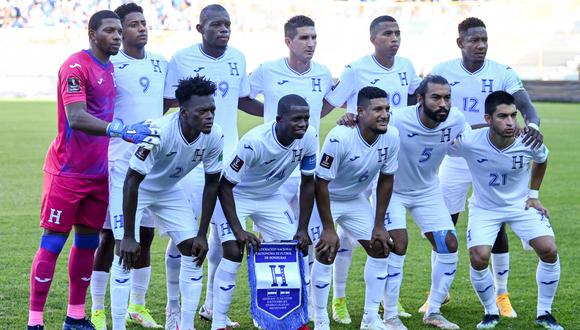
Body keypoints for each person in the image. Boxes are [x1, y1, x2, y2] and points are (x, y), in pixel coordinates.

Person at [27, 10, 159, 330]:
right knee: (53, 243)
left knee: (88, 244)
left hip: (98, 173)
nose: (117, 36)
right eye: (110, 31)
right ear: (92, 34)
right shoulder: (75, 66)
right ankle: (35, 321)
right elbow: (77, 118)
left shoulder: (111, 69)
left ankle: (75, 317)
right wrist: (120, 130)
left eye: (118, 31)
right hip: (67, 172)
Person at [430, 17, 543, 317]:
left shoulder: (502, 71)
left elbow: (527, 106)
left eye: (484, 40)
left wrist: (531, 124)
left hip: (493, 157)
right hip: (454, 158)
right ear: (460, 43)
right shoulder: (443, 71)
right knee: (443, 224)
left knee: (497, 223)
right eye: (474, 40)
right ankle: (437, 292)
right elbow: (426, 105)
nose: (480, 45)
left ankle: (501, 293)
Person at [162, 5, 262, 328]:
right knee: (185, 237)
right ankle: (173, 308)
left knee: (225, 239)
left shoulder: (238, 58)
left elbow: (242, 100)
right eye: (216, 24)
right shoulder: (181, 59)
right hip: (191, 163)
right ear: (199, 27)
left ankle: (211, 307)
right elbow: (169, 105)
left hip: (230, 161)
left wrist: (279, 113)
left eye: (228, 24)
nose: (224, 29)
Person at [323, 15, 421, 323]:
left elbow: (412, 105)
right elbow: (330, 104)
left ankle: (386, 306)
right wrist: (345, 118)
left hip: (384, 159)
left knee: (391, 240)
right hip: (349, 165)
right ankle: (338, 300)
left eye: (398, 33)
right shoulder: (355, 69)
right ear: (373, 39)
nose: (394, 39)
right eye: (388, 33)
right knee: (340, 241)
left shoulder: (406, 66)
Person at [448, 91, 562, 330]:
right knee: (479, 257)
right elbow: (440, 141)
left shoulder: (528, 140)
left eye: (513, 115)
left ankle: (545, 313)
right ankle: (491, 312)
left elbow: (542, 159)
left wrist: (534, 196)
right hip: (485, 208)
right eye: (502, 117)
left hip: (520, 206)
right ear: (488, 119)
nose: (510, 122)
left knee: (549, 249)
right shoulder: (470, 140)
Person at [119, 75, 223, 330]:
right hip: (137, 187)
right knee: (123, 252)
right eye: (202, 111)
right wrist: (129, 235)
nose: (209, 116)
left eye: (212, 110)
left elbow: (212, 184)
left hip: (167, 190)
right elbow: (131, 181)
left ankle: (182, 324)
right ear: (184, 112)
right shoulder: (159, 131)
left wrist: (201, 233)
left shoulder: (214, 135)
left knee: (193, 250)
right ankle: (116, 322)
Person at [248, 14, 333, 324]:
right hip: (273, 172)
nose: (310, 43)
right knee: (271, 243)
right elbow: (244, 98)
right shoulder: (268, 70)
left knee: (307, 239)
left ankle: (306, 310)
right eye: (304, 38)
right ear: (288, 41)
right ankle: (266, 313)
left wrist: (306, 122)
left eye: (313, 37)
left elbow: (326, 105)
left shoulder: (323, 73)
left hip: (307, 169)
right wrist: (273, 116)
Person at [89, 3, 167, 330]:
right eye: (132, 25)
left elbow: (173, 100)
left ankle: (138, 305)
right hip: (118, 162)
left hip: (152, 163)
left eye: (143, 23)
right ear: (119, 32)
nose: (141, 29)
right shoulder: (110, 65)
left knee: (145, 235)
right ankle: (96, 308)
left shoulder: (163, 63)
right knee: (111, 237)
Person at [210, 94, 317, 330]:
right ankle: (218, 323)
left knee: (295, 248)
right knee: (233, 251)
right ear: (279, 119)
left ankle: (291, 320)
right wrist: (239, 231)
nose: (303, 124)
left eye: (306, 118)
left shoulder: (309, 137)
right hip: (236, 195)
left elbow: (308, 183)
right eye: (296, 118)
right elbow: (224, 186)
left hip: (269, 196)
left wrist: (302, 228)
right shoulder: (254, 142)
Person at [375, 75, 465, 330]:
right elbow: (368, 126)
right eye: (436, 97)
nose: (443, 104)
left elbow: (475, 141)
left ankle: (433, 311)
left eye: (447, 97)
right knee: (398, 244)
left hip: (427, 191)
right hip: (392, 190)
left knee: (448, 244)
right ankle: (390, 316)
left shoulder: (456, 120)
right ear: (420, 99)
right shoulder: (399, 120)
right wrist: (349, 119)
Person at [310, 86, 399, 330]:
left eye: (387, 109)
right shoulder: (341, 136)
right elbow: (321, 183)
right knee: (325, 250)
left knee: (381, 247)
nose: (384, 115)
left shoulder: (392, 136)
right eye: (377, 109)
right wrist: (329, 228)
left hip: (355, 199)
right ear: (360, 112)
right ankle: (321, 320)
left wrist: (380, 225)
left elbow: (386, 179)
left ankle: (371, 319)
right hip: (327, 198)